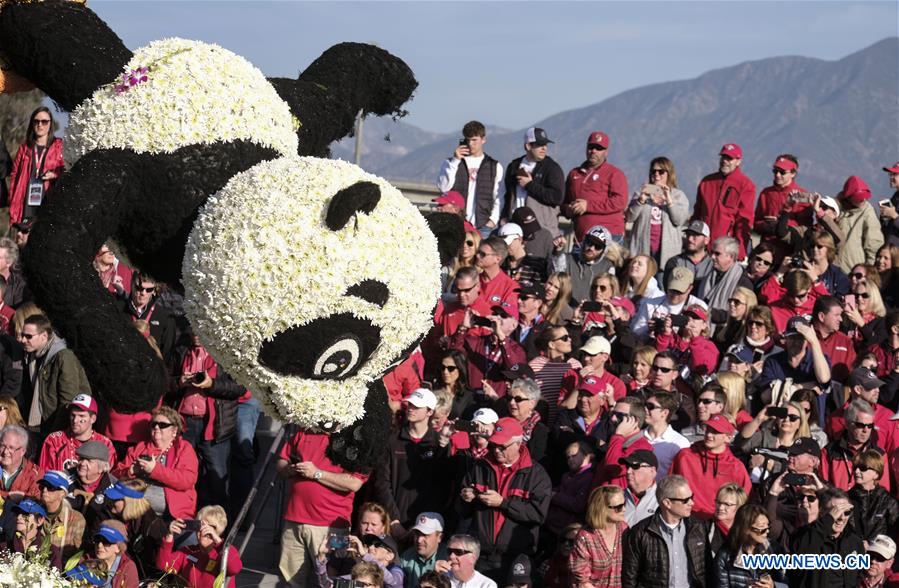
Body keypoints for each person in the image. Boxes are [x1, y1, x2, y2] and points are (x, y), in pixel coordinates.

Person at [458, 417, 551, 580]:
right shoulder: (480, 467)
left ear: (518, 443)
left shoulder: (536, 475)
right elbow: (462, 511)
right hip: (481, 556)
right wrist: (465, 498)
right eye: (493, 445)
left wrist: (503, 503)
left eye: (502, 446)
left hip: (515, 559)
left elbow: (538, 514)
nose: (496, 451)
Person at [373, 388, 450, 532]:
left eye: (416, 406)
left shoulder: (438, 443)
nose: (411, 409)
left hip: (427, 523)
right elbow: (382, 482)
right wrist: (394, 519)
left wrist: (428, 520)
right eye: (410, 405)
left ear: (429, 412)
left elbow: (442, 483)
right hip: (395, 521)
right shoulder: (392, 440)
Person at [621, 474, 709, 588]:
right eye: (685, 500)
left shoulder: (698, 528)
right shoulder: (641, 532)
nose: (691, 503)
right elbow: (630, 576)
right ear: (667, 503)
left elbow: (707, 571)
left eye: (691, 497)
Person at [113, 406, 199, 520]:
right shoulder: (141, 447)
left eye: (162, 425)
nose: (157, 427)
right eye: (154, 424)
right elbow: (115, 474)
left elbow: (186, 481)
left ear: (174, 431)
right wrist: (131, 471)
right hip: (138, 501)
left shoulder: (184, 449)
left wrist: (155, 470)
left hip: (172, 506)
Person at [19, 313, 91, 437]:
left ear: (44, 336)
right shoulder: (31, 355)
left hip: (56, 428)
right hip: (40, 424)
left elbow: (68, 400)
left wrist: (55, 433)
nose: (23, 340)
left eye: (28, 336)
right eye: (22, 335)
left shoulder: (63, 356)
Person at [670, 415, 751, 520]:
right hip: (686, 519)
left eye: (715, 432)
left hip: (719, 521)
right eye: (708, 429)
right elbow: (670, 487)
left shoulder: (736, 466)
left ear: (728, 438)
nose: (709, 434)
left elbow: (744, 499)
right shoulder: (684, 456)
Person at [756, 316, 832, 421]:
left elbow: (824, 380)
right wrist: (800, 387)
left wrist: (814, 342)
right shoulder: (772, 361)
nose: (796, 342)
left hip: (811, 424)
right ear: (785, 338)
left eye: (800, 338)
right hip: (779, 422)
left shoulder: (819, 360)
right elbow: (766, 396)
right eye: (792, 337)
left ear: (807, 340)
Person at [436, 121, 504, 238]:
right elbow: (443, 187)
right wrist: (455, 160)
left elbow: (499, 197)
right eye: (467, 140)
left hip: (483, 225)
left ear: (483, 140)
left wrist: (492, 221)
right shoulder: (451, 163)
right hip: (456, 222)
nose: (470, 144)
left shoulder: (494, 166)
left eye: (474, 140)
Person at [691, 143, 756, 260]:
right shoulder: (706, 182)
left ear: (738, 161)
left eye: (729, 158)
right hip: (702, 248)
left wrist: (740, 253)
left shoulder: (746, 185)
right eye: (723, 157)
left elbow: (744, 222)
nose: (725, 161)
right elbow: (697, 214)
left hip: (725, 250)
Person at [790, 487, 865, 588]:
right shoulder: (803, 535)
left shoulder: (854, 542)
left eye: (846, 512)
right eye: (836, 512)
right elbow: (801, 552)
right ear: (822, 512)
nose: (841, 518)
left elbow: (858, 575)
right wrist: (828, 520)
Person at [447, 304, 526, 399]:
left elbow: (514, 369)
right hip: (471, 400)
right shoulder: (477, 341)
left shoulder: (516, 349)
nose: (497, 318)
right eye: (495, 314)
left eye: (503, 316)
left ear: (513, 325)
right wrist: (463, 328)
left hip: (497, 402)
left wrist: (501, 338)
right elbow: (452, 353)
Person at [625, 157, 690, 271]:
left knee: (662, 284)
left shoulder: (678, 196)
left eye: (661, 171)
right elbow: (630, 217)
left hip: (667, 253)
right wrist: (641, 200)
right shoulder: (641, 193)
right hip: (643, 249)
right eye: (653, 171)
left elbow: (678, 220)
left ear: (669, 174)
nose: (656, 174)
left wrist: (669, 201)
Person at [563, 131, 628, 243]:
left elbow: (620, 202)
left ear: (606, 152)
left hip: (609, 236)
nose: (593, 151)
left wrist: (588, 206)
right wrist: (567, 210)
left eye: (598, 148)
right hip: (581, 237)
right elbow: (564, 201)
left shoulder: (615, 173)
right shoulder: (574, 174)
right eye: (591, 147)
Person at [158, 504, 243, 588]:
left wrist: (217, 541)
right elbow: (164, 566)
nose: (204, 530)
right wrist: (169, 535)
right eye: (200, 525)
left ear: (220, 531)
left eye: (212, 527)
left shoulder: (225, 551)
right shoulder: (188, 551)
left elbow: (234, 568)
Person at [502, 127, 565, 237]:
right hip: (515, 227)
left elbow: (557, 198)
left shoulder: (552, 168)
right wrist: (504, 216)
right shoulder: (514, 166)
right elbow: (506, 195)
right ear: (528, 146)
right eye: (539, 145)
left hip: (541, 229)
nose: (544, 148)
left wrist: (529, 185)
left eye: (545, 145)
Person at [8, 106, 65, 225]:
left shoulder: (59, 147)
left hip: (48, 204)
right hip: (25, 206)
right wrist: (13, 204)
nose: (40, 125)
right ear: (32, 124)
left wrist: (55, 175)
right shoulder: (24, 148)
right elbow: (14, 176)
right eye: (36, 121)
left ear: (50, 124)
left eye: (44, 122)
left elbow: (67, 171)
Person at [820, 400, 888, 492]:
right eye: (860, 425)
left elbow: (884, 492)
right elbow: (824, 488)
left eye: (870, 426)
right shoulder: (828, 452)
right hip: (838, 504)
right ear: (847, 424)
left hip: (868, 505)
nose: (866, 430)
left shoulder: (879, 454)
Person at [39, 394, 116, 472]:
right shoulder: (54, 441)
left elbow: (110, 478)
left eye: (81, 416)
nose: (75, 420)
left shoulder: (105, 444)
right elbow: (45, 475)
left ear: (93, 419)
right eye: (73, 415)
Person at [713, 504, 785, 588]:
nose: (767, 531)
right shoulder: (726, 555)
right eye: (762, 528)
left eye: (768, 526)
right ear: (745, 529)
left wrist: (774, 586)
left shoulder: (774, 550)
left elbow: (787, 583)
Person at [568, 485, 628, 587]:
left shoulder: (624, 529)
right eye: (618, 507)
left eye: (624, 504)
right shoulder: (586, 537)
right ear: (602, 508)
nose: (624, 509)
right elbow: (582, 581)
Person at [630, 266, 708, 343]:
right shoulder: (652, 303)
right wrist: (649, 330)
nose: (675, 295)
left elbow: (704, 338)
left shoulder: (698, 306)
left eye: (679, 292)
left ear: (690, 288)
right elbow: (636, 333)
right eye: (672, 290)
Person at [593, 397, 653, 489]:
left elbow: (613, 467)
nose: (613, 419)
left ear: (635, 421)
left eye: (620, 415)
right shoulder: (617, 440)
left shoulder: (642, 447)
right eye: (613, 413)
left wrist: (618, 435)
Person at [695, 237, 753, 328]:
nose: (712, 257)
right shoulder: (708, 276)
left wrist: (711, 313)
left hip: (724, 333)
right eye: (712, 253)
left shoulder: (742, 282)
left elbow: (742, 314)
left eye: (717, 254)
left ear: (731, 257)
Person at [553, 225, 615, 304]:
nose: (591, 248)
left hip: (593, 313)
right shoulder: (567, 259)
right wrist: (558, 252)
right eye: (589, 242)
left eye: (597, 246)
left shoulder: (608, 267)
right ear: (584, 241)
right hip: (566, 309)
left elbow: (609, 296)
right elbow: (554, 277)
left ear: (604, 251)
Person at [755, 154, 810, 242]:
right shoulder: (766, 193)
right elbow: (756, 222)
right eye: (775, 171)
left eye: (782, 172)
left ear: (793, 173)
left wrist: (780, 224)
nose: (777, 175)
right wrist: (765, 226)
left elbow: (805, 226)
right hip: (767, 245)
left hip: (789, 246)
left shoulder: (802, 195)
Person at [834, 176, 884, 272]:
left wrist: (869, 271)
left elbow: (873, 245)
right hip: (835, 266)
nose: (863, 200)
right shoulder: (837, 208)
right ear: (849, 197)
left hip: (854, 269)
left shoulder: (868, 213)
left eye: (865, 197)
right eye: (859, 198)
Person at [529, 325, 580, 421]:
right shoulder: (535, 365)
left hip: (566, 421)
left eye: (569, 337)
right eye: (565, 338)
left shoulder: (575, 364)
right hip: (541, 420)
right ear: (552, 344)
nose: (569, 340)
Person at [545, 441, 595, 535]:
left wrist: (555, 496)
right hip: (555, 523)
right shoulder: (567, 476)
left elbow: (578, 505)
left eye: (574, 455)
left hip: (569, 528)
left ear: (587, 456)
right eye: (568, 457)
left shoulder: (588, 477)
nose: (570, 459)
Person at [848, 450, 898, 542]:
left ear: (876, 473)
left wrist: (874, 546)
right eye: (855, 467)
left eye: (863, 468)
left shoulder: (889, 501)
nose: (857, 471)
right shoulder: (846, 498)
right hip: (852, 553)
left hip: (879, 553)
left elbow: (894, 535)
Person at [38, 469, 85, 562]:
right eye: (42, 486)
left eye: (50, 487)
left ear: (62, 493)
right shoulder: (33, 513)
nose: (44, 490)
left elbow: (76, 556)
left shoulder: (76, 519)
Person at [642, 391, 689, 479]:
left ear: (664, 413)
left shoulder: (680, 443)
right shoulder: (636, 437)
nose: (645, 409)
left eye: (650, 406)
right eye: (644, 405)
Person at [5, 498, 63, 569]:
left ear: (40, 520)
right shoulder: (4, 545)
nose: (19, 517)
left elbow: (55, 578)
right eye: (17, 513)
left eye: (25, 514)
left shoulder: (52, 552)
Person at [503, 378, 548, 463]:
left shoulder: (540, 431)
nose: (512, 402)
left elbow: (536, 460)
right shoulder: (502, 423)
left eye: (518, 399)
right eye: (510, 398)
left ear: (532, 403)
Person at [662, 220, 714, 291]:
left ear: (706, 240)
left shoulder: (713, 264)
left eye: (695, 235)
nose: (690, 239)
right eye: (688, 234)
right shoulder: (674, 262)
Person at [400, 513, 448, 588]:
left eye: (426, 535)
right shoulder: (406, 557)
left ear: (440, 537)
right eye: (417, 534)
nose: (419, 540)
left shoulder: (449, 558)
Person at [89, 521, 140, 588]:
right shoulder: (85, 561)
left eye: (106, 541)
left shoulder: (128, 567)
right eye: (97, 540)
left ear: (118, 548)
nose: (99, 545)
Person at [69, 440, 115, 512]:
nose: (82, 463)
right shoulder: (64, 479)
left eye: (89, 461)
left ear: (101, 468)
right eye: (81, 459)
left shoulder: (114, 488)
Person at [476, 237, 519, 309]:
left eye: (482, 254)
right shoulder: (473, 280)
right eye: (478, 252)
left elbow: (508, 315)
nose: (477, 256)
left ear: (497, 259)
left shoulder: (510, 287)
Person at [0, 424, 40, 499]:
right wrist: (9, 495)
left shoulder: (35, 473)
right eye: (2, 446)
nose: (5, 452)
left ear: (23, 451)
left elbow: (35, 500)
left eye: (11, 448)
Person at [620, 449, 659, 526]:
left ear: (652, 471)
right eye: (627, 466)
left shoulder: (663, 500)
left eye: (635, 466)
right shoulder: (617, 497)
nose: (628, 471)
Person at [712, 287, 757, 354]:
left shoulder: (749, 333)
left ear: (748, 306)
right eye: (731, 300)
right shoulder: (724, 327)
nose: (732, 304)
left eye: (737, 302)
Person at [711, 483, 748, 556]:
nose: (720, 507)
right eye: (718, 502)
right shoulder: (706, 528)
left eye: (727, 504)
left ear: (739, 507)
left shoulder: (746, 531)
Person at [881, 162, 899, 246]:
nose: (891, 177)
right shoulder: (895, 197)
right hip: (891, 251)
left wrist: (894, 216)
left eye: (895, 174)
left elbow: (894, 217)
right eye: (890, 174)